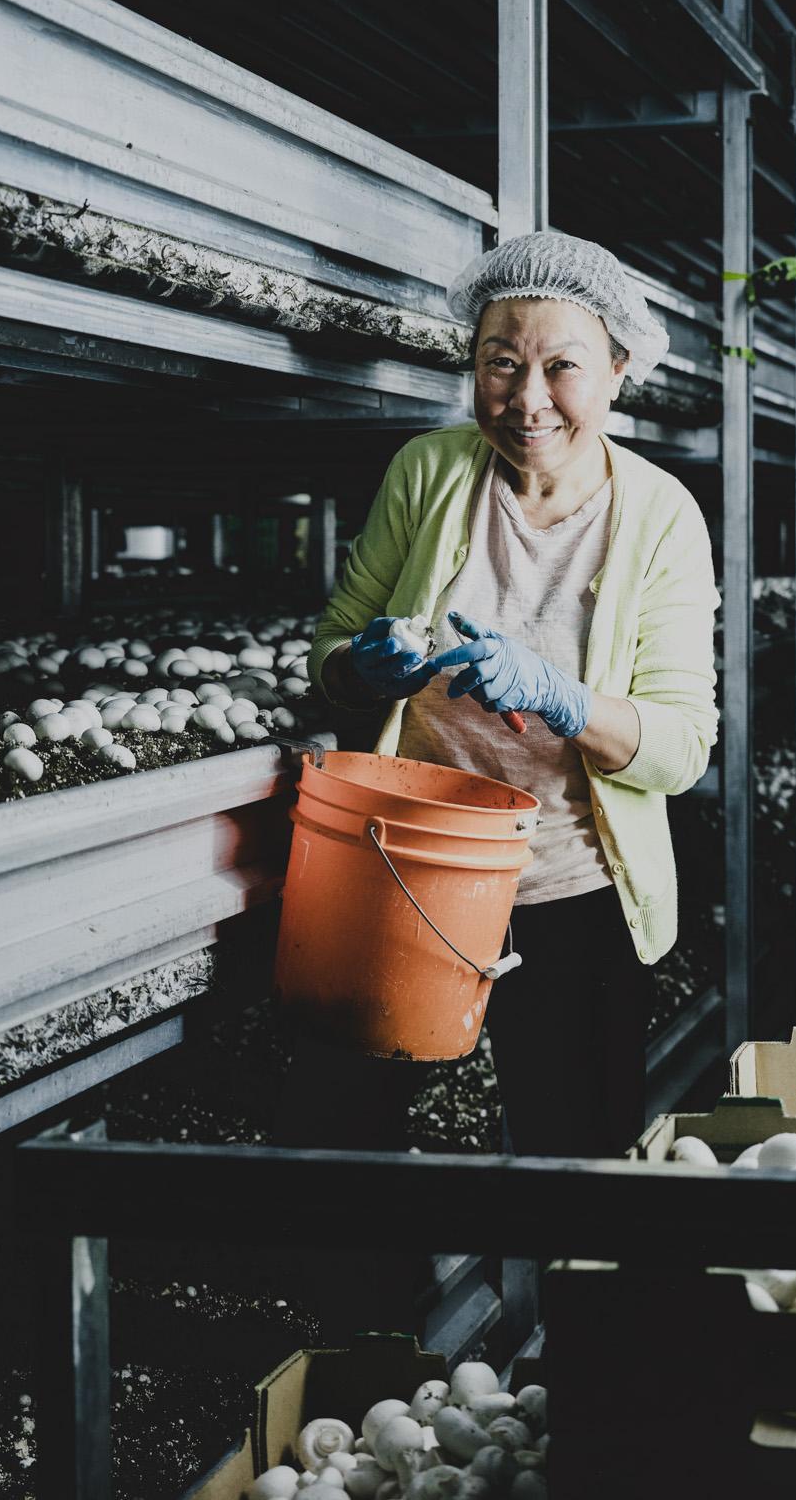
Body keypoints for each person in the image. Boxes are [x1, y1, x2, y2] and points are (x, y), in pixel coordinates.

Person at [288, 230, 719, 1159]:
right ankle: (381, 1307)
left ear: (618, 371)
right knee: (356, 1142)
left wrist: (564, 699)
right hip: (406, 871)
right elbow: (331, 649)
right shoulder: (429, 472)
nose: (526, 399)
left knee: (576, 1161)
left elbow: (682, 747)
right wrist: (368, 670)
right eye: (498, 364)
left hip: (574, 890)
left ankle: (575, 1306)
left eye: (561, 366)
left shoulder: (662, 516)